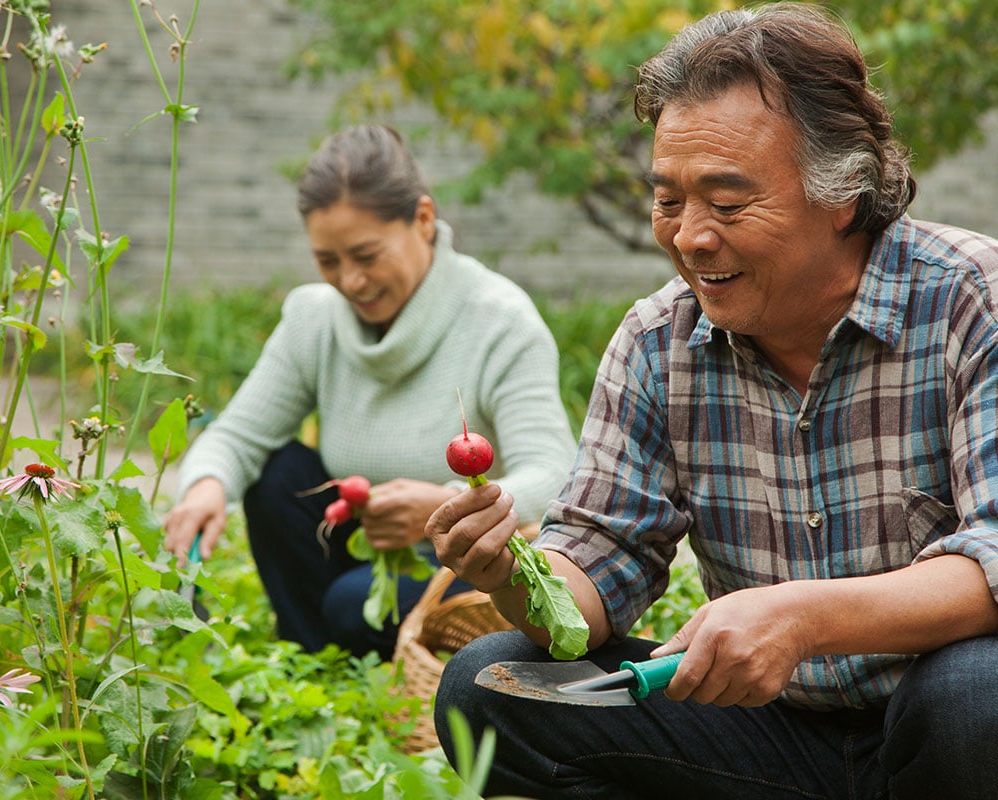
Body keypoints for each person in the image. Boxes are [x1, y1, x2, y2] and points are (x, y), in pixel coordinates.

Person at [425, 4, 998, 798]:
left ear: (842, 193)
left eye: (727, 204)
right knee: (483, 686)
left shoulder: (973, 300)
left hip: (941, 724)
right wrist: (510, 571)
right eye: (668, 200)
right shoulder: (659, 342)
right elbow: (598, 567)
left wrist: (800, 618)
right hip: (771, 734)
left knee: (979, 694)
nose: (689, 236)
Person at [164, 124, 577, 660]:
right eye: (328, 261)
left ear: (423, 220)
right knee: (276, 472)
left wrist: (450, 506)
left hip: (464, 560)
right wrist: (205, 487)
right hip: (364, 548)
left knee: (352, 603)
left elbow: (553, 473)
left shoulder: (500, 322)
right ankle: (319, 666)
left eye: (366, 255)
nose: (350, 281)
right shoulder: (314, 318)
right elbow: (238, 435)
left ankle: (357, 657)